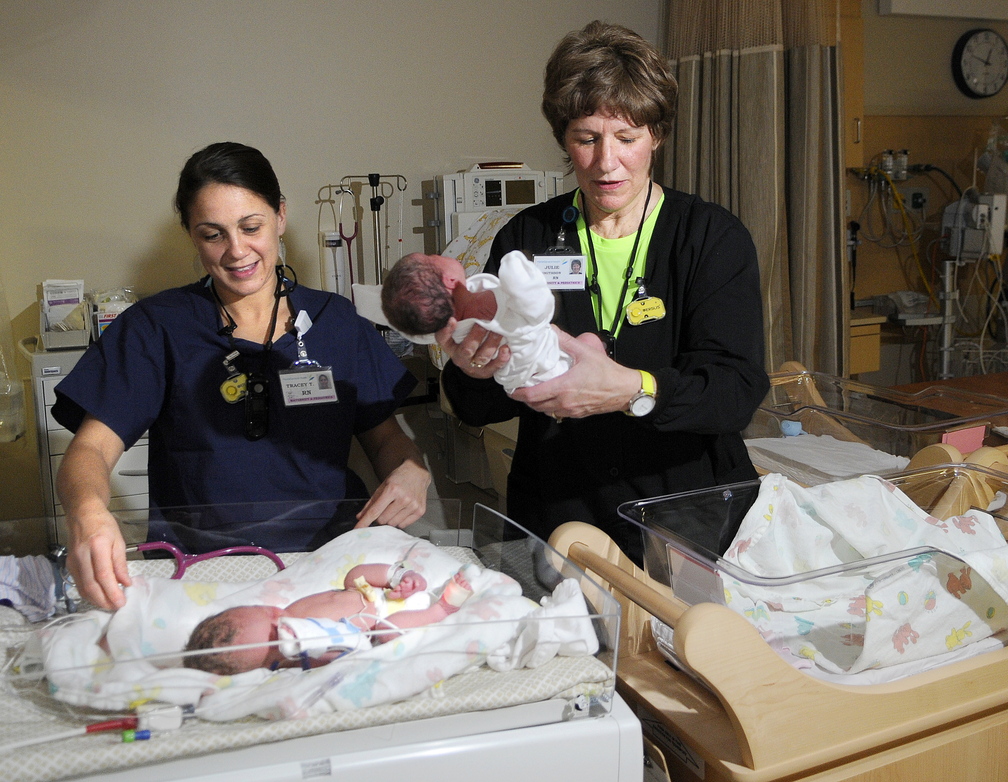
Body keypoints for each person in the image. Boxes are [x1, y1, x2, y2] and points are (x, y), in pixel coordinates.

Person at [437, 21, 770, 562]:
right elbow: (475, 406)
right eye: (586, 138)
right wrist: (474, 368)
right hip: (559, 515)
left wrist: (632, 389)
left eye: (626, 138)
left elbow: (733, 390)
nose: (605, 162)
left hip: (685, 514)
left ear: (657, 135)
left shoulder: (710, 237)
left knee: (680, 644)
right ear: (562, 138)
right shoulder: (529, 238)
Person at [53, 142, 430, 611]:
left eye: (251, 227)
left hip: (332, 560)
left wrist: (412, 471)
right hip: (199, 565)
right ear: (191, 234)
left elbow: (387, 438)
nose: (236, 251)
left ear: (280, 216)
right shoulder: (157, 326)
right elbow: (89, 449)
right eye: (213, 234)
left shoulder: (336, 322)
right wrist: (87, 512)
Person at [183, 562, 474, 675]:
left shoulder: (292, 610)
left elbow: (350, 585)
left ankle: (405, 576)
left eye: (264, 611)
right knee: (387, 631)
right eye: (276, 632)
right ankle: (443, 609)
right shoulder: (300, 656)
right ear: (272, 662)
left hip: (382, 594)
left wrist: (397, 581)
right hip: (385, 623)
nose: (276, 614)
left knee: (353, 574)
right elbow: (339, 656)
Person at [381, 250, 572, 392]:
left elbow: (407, 314)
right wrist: (518, 268)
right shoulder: (488, 306)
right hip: (552, 366)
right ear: (449, 280)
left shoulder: (445, 328)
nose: (435, 253)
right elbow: (537, 310)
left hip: (526, 381)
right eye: (431, 257)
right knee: (589, 341)